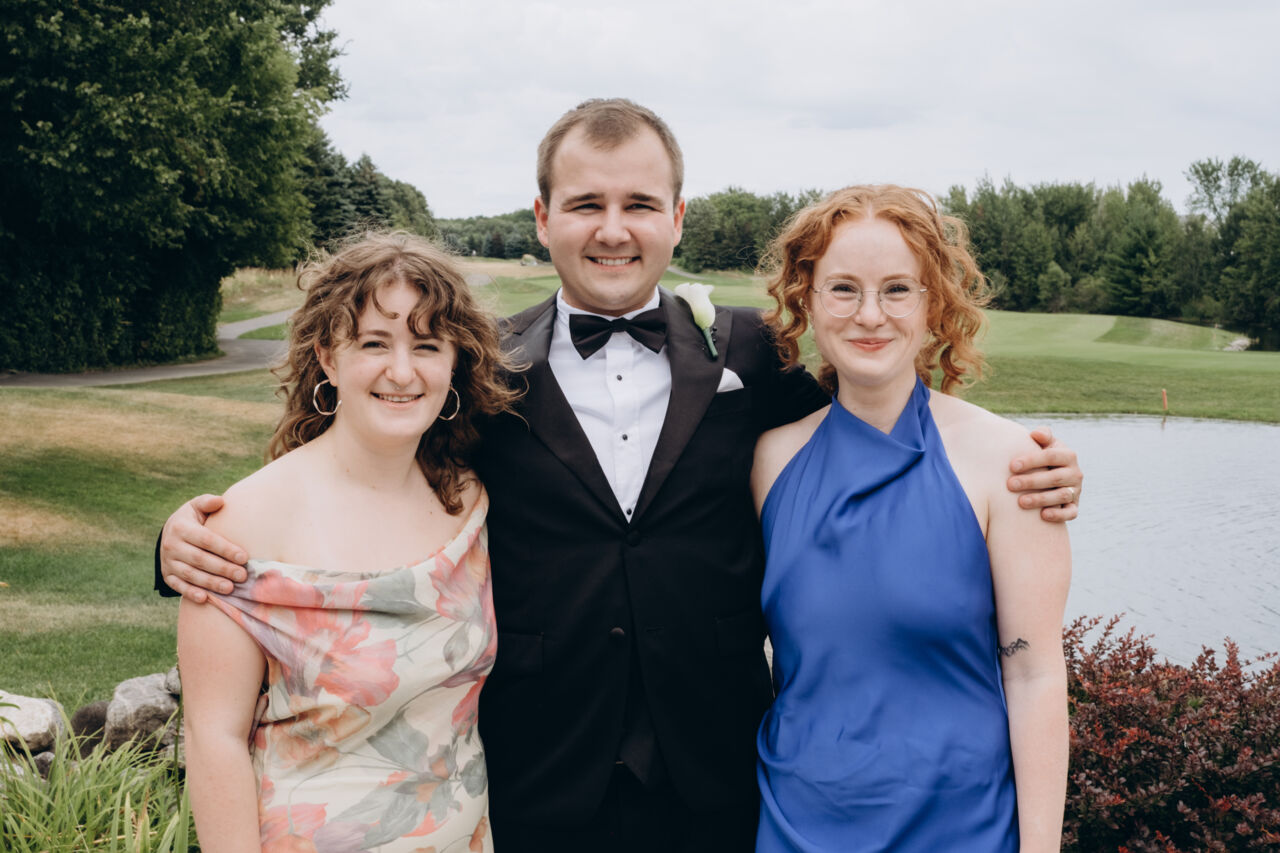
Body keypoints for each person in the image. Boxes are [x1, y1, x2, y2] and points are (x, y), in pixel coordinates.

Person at [157, 100, 1083, 853]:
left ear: (676, 218)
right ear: (543, 218)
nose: (613, 229)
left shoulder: (752, 356)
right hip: (538, 776)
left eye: (639, 203)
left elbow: (873, 413)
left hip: (722, 778)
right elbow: (366, 468)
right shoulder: (482, 368)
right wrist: (186, 541)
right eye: (585, 204)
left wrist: (1034, 473)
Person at [751, 185, 1071, 852]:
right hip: (796, 824)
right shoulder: (769, 460)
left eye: (897, 289)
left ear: (934, 305)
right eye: (843, 289)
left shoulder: (1011, 463)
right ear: (807, 299)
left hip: (962, 830)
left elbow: (1035, 674)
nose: (870, 315)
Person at [177, 232, 518, 853]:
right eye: (373, 343)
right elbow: (212, 737)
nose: (402, 372)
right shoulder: (242, 526)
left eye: (426, 345)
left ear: (454, 364)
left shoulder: (468, 500)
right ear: (328, 359)